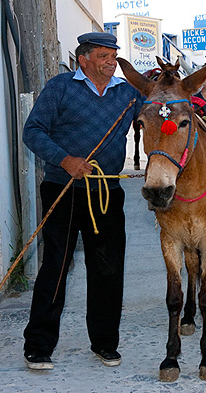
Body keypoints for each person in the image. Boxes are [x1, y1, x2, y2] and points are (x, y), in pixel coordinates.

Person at [21, 32, 144, 370]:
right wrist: (65, 160)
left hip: (107, 193)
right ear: (84, 59)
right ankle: (39, 345)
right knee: (56, 267)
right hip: (63, 190)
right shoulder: (61, 87)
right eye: (104, 55)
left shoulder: (127, 93)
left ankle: (105, 343)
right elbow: (32, 131)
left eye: (114, 55)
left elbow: (161, 109)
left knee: (108, 268)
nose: (111, 61)